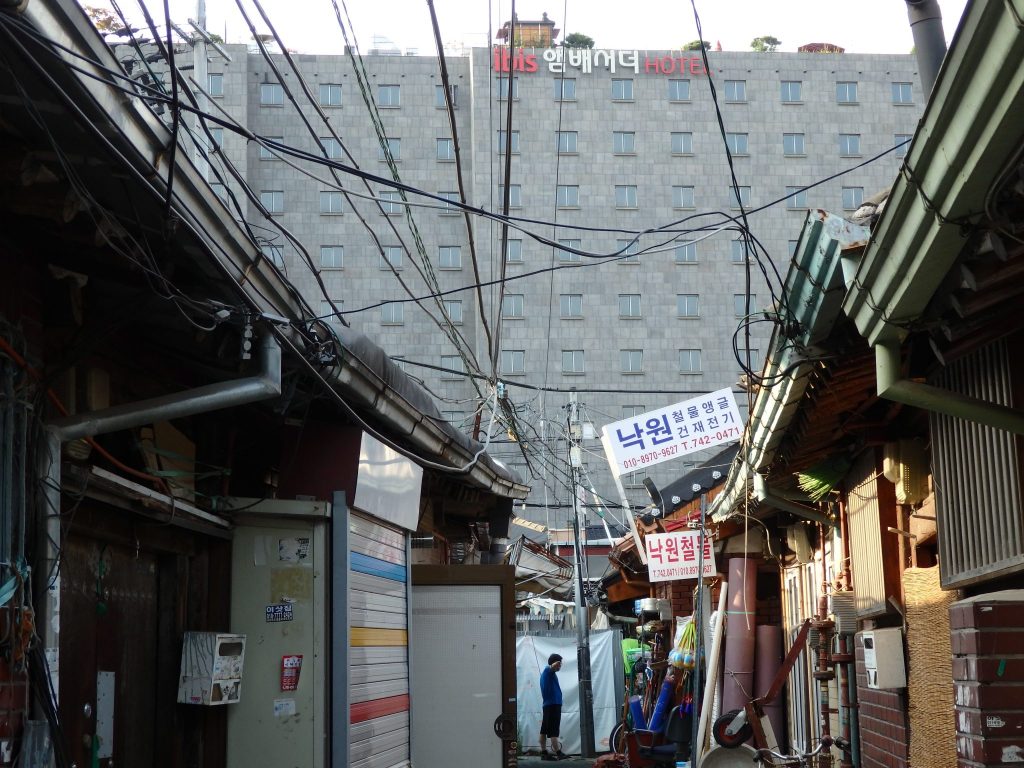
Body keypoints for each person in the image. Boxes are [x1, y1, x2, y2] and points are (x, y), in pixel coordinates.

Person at [539, 653, 568, 760]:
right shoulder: (548, 671)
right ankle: (558, 753)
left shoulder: (547, 673)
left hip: (548, 705)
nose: (560, 666)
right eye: (560, 664)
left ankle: (543, 752)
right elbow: (552, 666)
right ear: (555, 663)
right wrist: (557, 662)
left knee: (544, 730)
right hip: (553, 705)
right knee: (553, 730)